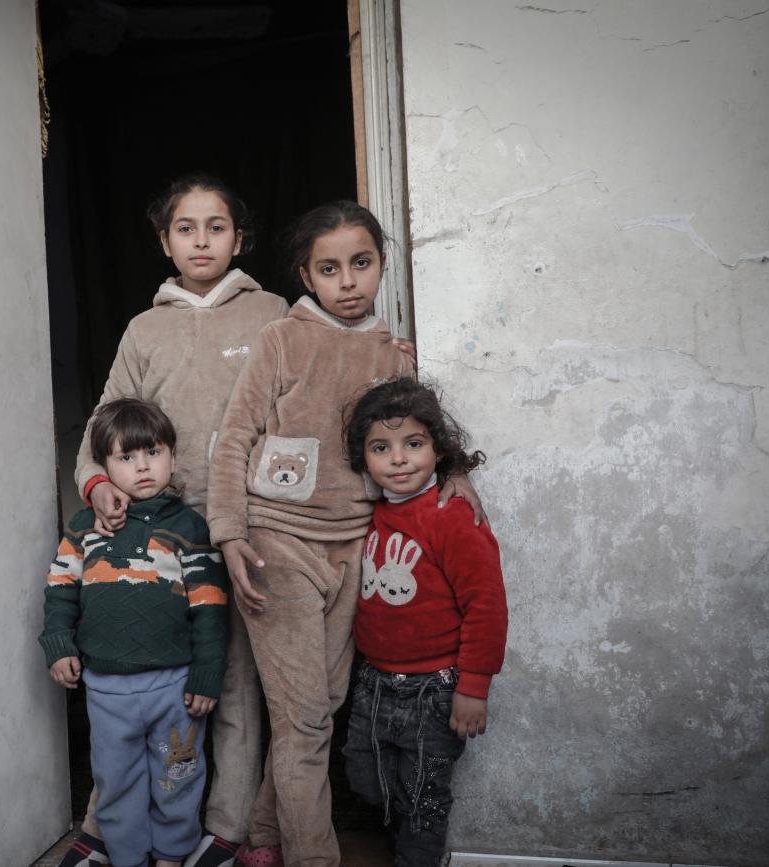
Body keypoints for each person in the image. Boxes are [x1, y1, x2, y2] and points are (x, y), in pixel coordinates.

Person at [206, 201, 483, 867]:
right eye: (330, 269)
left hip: (356, 544)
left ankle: (265, 834)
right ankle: (314, 857)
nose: (348, 281)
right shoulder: (282, 340)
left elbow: (412, 441)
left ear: (382, 266)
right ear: (306, 275)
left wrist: (456, 474)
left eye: (362, 264)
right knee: (303, 721)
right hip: (278, 541)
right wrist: (230, 534)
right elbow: (235, 436)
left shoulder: (392, 354)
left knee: (324, 704)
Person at [63, 174, 288, 867]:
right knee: (139, 678)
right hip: (158, 534)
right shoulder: (145, 329)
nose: (201, 239)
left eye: (215, 226)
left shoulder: (274, 313)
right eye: (185, 228)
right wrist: (99, 484)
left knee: (236, 682)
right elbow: (104, 424)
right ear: (165, 242)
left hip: (250, 527)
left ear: (239, 238)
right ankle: (108, 824)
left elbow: (324, 382)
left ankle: (226, 828)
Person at [41, 398, 231, 867]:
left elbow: (210, 607)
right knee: (116, 779)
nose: (143, 467)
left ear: (172, 455)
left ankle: (172, 854)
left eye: (154, 453)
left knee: (178, 776)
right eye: (126, 457)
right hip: (106, 690)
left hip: (174, 689)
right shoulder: (84, 528)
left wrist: (207, 674)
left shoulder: (189, 527)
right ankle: (127, 857)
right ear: (103, 467)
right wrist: (59, 645)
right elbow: (60, 589)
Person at [341, 377, 507, 867]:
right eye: (380, 447)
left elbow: (487, 605)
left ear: (439, 449)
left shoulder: (452, 515)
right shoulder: (372, 511)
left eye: (413, 444)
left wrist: (473, 687)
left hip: (435, 689)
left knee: (424, 803)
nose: (398, 459)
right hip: (373, 682)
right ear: (364, 458)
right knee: (363, 779)